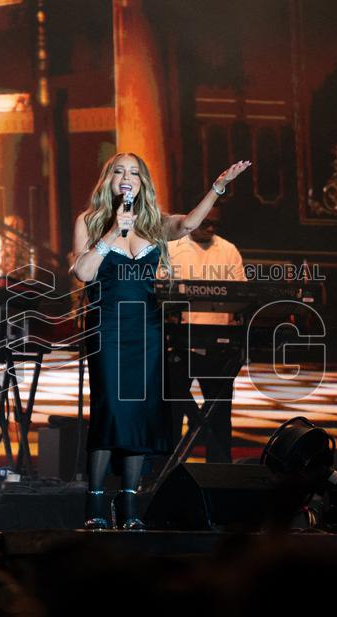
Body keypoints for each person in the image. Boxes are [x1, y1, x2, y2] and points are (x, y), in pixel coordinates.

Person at [71, 153, 251, 529]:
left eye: (134, 172)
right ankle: (95, 501)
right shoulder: (88, 221)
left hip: (147, 328)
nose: (126, 177)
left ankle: (131, 502)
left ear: (142, 182)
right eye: (119, 171)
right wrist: (112, 232)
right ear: (109, 179)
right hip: (107, 326)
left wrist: (217, 188)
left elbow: (188, 224)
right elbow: (84, 274)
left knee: (139, 413)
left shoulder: (153, 224)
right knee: (110, 410)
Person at [166, 206, 246, 463]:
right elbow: (161, 289)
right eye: (206, 223)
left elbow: (241, 296)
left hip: (218, 346)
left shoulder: (228, 250)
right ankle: (166, 471)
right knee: (172, 411)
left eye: (216, 225)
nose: (211, 228)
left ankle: (220, 472)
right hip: (180, 344)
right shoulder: (172, 248)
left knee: (220, 413)